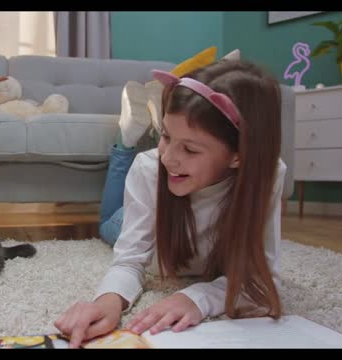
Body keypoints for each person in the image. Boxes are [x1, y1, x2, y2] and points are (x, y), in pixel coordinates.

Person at [54, 59, 286, 348]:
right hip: (139, 215)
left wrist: (196, 298)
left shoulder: (268, 175)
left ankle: (128, 138)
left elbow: (261, 280)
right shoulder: (150, 167)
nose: (168, 157)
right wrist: (108, 299)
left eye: (189, 149)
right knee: (108, 224)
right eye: (164, 135)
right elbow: (130, 259)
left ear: (239, 156)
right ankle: (125, 140)